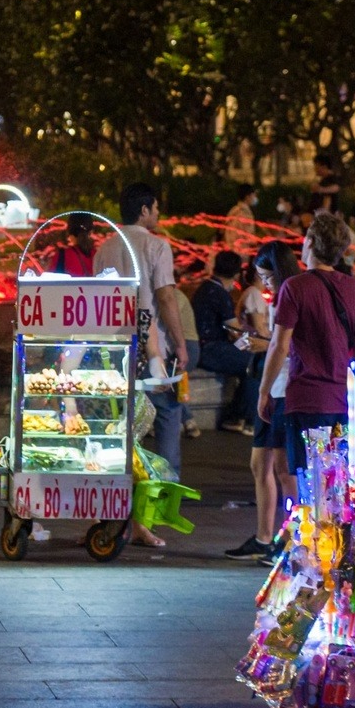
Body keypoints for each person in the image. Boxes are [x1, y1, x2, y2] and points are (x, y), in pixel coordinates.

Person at [260, 212, 355, 481]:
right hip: (342, 401)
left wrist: (264, 391)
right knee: (338, 482)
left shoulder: (294, 287)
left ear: (309, 242)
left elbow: (279, 345)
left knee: (309, 482)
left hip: (307, 399)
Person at [93, 183, 187, 498]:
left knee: (124, 425)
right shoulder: (156, 247)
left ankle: (120, 495)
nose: (158, 214)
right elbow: (166, 298)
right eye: (156, 208)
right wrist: (181, 342)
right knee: (167, 415)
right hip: (152, 349)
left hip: (113, 352)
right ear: (144, 210)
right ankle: (162, 493)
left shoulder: (104, 248)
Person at [226, 241, 302, 561]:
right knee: (261, 464)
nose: (265, 284)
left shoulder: (294, 295)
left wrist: (261, 346)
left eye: (267, 277)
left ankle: (292, 539)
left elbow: (283, 346)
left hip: (283, 389)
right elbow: (275, 343)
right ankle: (264, 536)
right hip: (271, 387)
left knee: (284, 469)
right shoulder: (283, 297)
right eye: (261, 278)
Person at [195, 251, 253, 434]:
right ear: (237, 274)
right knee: (254, 363)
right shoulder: (220, 293)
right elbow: (236, 332)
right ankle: (239, 417)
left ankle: (238, 416)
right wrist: (254, 344)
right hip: (211, 349)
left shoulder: (204, 287)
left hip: (203, 347)